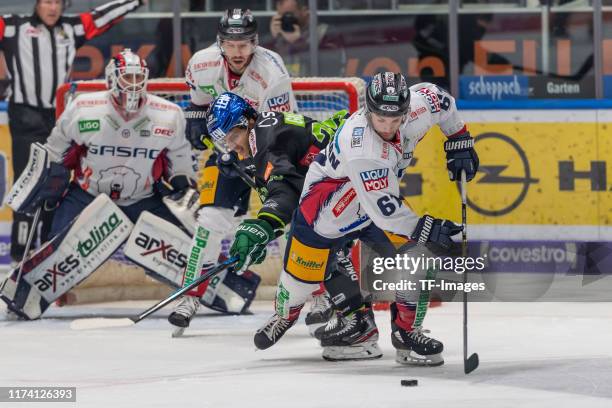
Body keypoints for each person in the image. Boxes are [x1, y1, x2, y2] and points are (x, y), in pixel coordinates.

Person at [240, 72, 479, 364]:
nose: (389, 127)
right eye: (381, 119)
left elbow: (439, 98)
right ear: (367, 111)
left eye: (396, 119)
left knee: (416, 259)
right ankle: (284, 314)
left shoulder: (415, 109)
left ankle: (407, 334)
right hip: (324, 214)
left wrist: (459, 138)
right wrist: (428, 227)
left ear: (406, 110)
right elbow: (387, 214)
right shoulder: (362, 148)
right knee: (297, 286)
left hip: (374, 209)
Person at [0, 49, 197, 320]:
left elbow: (181, 161)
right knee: (55, 253)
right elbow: (55, 152)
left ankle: (206, 289)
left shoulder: (168, 114)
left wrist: (184, 186)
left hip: (142, 198)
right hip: (87, 195)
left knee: (186, 251)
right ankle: (26, 294)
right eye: (127, 77)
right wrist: (48, 182)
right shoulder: (83, 109)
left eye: (138, 77)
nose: (133, 84)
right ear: (111, 79)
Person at [167, 8, 301, 330]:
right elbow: (199, 105)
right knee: (211, 220)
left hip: (272, 152)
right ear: (221, 43)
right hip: (227, 149)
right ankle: (190, 297)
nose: (238, 52)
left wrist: (256, 160)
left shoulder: (272, 72)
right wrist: (199, 126)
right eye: (231, 44)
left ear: (255, 43)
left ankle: (307, 297)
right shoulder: (201, 63)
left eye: (244, 44)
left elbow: (281, 130)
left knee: (290, 227)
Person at [0, 0, 144, 266]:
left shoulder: (73, 28)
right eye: (47, 2)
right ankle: (19, 257)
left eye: (57, 2)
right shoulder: (13, 27)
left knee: (55, 187)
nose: (52, 8)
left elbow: (101, 16)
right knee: (27, 182)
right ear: (37, 4)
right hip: (25, 116)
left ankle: (47, 251)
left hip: (59, 118)